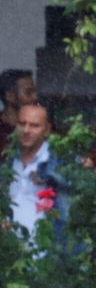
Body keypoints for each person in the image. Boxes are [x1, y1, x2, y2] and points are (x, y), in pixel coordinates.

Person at [6, 101, 69, 238]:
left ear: (47, 130)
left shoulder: (60, 162)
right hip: (9, 250)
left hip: (45, 251)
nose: (26, 130)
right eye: (22, 123)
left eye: (34, 126)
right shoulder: (7, 160)